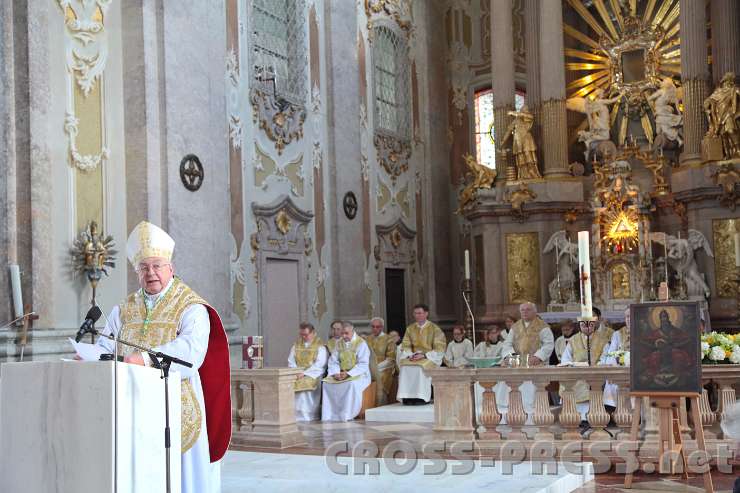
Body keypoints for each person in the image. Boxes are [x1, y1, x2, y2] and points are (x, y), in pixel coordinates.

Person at [94, 221, 231, 493]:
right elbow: (105, 343)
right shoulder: (125, 308)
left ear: (171, 268)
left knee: (180, 478)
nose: (151, 273)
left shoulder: (191, 306)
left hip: (177, 404)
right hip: (131, 403)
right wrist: (89, 359)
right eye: (144, 268)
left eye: (157, 265)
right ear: (137, 272)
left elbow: (191, 351)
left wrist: (143, 360)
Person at [500, 302, 554, 420]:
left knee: (531, 389)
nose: (524, 312)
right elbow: (507, 344)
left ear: (535, 312)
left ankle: (531, 412)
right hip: (517, 362)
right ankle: (512, 410)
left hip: (535, 363)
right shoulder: (515, 327)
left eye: (528, 310)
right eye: (522, 310)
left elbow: (548, 344)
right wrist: (511, 356)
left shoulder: (543, 327)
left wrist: (539, 356)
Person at [560, 308, 613, 425]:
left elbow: (605, 358)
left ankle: (592, 417)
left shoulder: (602, 340)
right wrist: (574, 366)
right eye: (583, 325)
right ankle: (577, 418)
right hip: (576, 374)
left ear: (594, 325)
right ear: (579, 326)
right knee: (575, 383)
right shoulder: (573, 340)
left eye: (589, 325)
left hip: (595, 374)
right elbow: (566, 358)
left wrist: (594, 368)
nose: (587, 327)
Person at [396, 304, 446, 405]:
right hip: (413, 356)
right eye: (415, 313)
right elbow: (405, 345)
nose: (417, 315)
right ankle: (407, 397)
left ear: (426, 314)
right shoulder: (410, 329)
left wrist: (424, 355)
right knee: (405, 366)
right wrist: (410, 355)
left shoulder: (434, 328)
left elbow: (440, 347)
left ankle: (421, 397)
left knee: (420, 368)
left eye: (419, 313)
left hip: (428, 357)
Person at [321, 322, 371, 421]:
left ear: (353, 331)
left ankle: (347, 414)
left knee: (351, 384)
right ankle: (330, 415)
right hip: (340, 373)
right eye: (342, 333)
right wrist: (335, 373)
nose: (344, 336)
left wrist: (348, 374)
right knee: (327, 384)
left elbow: (363, 364)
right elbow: (333, 361)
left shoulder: (361, 343)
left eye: (346, 333)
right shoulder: (339, 343)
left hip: (359, 374)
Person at [287, 322, 328, 421]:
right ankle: (294, 414)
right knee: (288, 382)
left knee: (305, 382)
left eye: (306, 334)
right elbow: (291, 361)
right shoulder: (296, 345)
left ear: (313, 333)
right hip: (297, 373)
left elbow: (320, 364)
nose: (303, 337)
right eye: (301, 334)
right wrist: (296, 371)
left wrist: (305, 373)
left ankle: (308, 415)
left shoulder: (320, 346)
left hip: (313, 373)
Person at [473, 325, 509, 419]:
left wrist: (499, 363)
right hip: (484, 369)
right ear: (487, 335)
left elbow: (504, 358)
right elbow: (476, 356)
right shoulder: (482, 345)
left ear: (498, 333)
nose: (492, 335)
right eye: (490, 333)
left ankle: (499, 402)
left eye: (494, 333)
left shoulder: (502, 345)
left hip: (497, 370)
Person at [364, 317, 397, 405]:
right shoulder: (367, 339)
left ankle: (380, 405)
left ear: (382, 327)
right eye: (373, 327)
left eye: (377, 327)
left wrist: (375, 368)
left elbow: (391, 359)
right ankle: (366, 406)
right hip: (367, 367)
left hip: (383, 368)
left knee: (380, 377)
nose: (375, 329)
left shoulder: (389, 339)